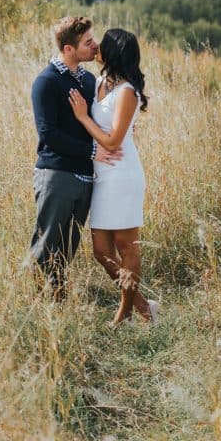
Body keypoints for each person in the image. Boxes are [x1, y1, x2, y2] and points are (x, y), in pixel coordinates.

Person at [68, 28, 158, 324]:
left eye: (102, 44)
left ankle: (124, 313)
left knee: (125, 246)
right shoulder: (100, 83)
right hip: (102, 175)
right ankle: (144, 306)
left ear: (114, 52)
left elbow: (112, 142)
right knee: (100, 250)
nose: (97, 48)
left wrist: (82, 118)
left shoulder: (127, 91)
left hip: (122, 174)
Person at [29, 16, 121, 300]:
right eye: (88, 42)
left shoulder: (88, 79)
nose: (95, 46)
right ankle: (37, 303)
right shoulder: (46, 82)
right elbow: (48, 134)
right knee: (47, 244)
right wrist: (92, 151)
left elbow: (95, 122)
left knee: (67, 246)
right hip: (57, 174)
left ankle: (57, 301)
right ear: (69, 49)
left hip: (85, 176)